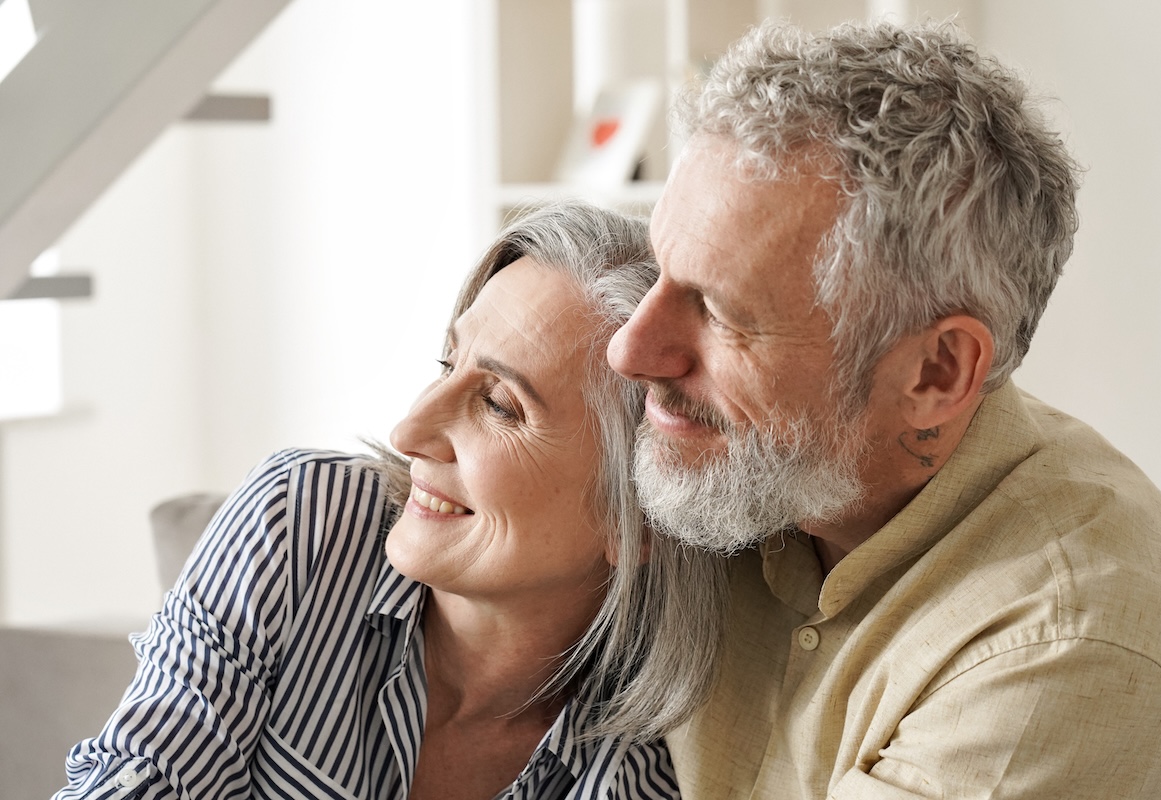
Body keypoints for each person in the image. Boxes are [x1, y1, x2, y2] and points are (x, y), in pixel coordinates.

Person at [606, 18, 1161, 799]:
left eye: (721, 312)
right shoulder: (746, 463)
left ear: (936, 372)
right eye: (659, 271)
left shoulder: (1064, 644)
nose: (629, 350)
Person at [55, 202, 727, 800]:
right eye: (446, 365)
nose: (409, 432)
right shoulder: (300, 519)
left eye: (498, 404)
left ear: (639, 516)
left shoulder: (641, 767)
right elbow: (140, 774)